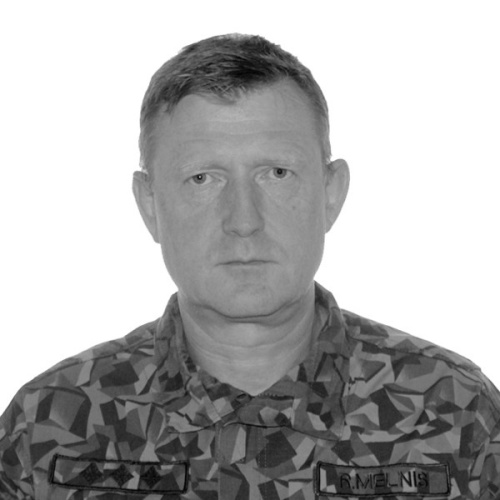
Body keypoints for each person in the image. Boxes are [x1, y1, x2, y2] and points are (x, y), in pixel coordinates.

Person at [1, 33, 499, 500]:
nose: (243, 221)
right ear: (150, 205)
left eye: (276, 173)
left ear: (331, 193)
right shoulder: (47, 429)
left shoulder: (457, 412)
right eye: (203, 178)